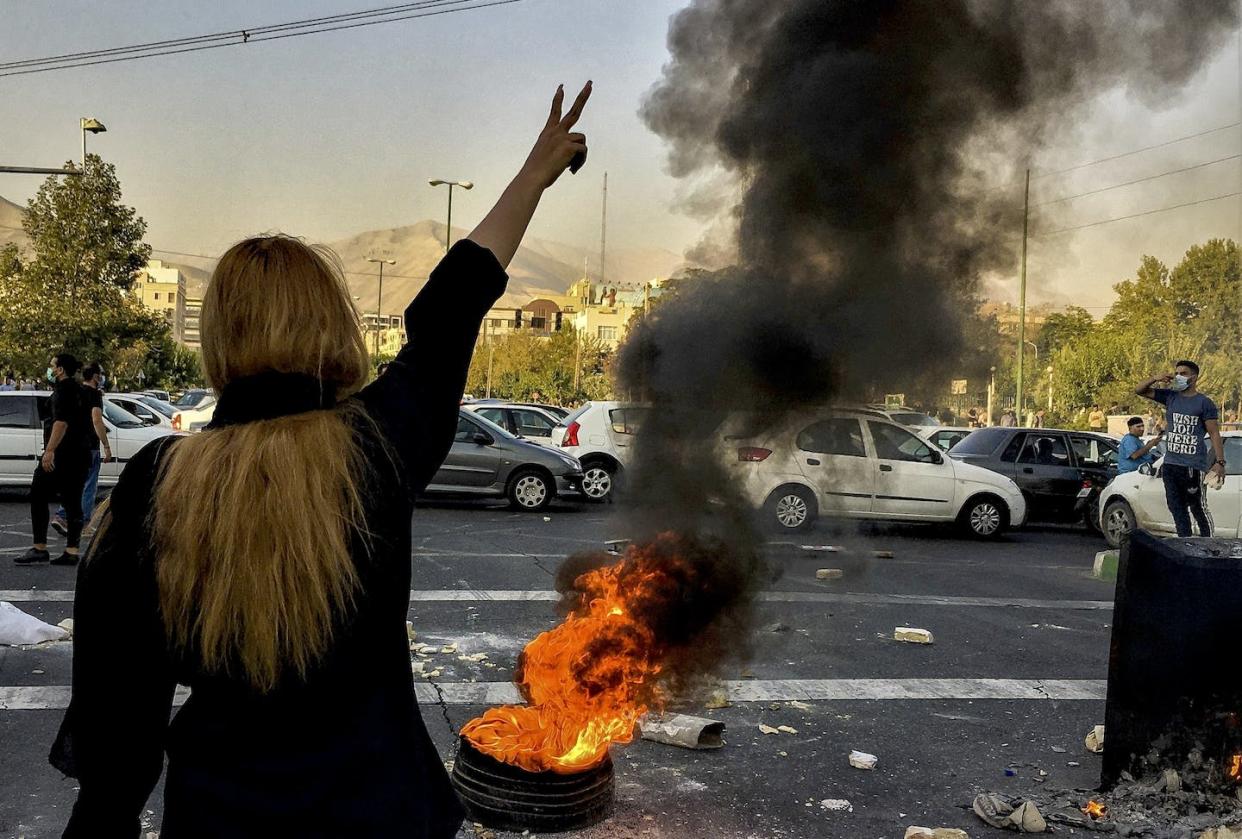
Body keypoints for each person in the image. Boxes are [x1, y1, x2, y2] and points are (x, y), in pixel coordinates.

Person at [48, 81, 591, 837]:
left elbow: (119, 735)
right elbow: (452, 307)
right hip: (385, 815)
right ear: (331, 322)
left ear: (219, 337)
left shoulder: (157, 484)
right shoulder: (378, 444)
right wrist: (533, 175)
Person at [16, 353, 94, 566]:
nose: (49, 369)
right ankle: (72, 550)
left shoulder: (62, 392)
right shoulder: (82, 391)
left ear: (59, 370)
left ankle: (40, 547)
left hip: (62, 455)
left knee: (38, 494)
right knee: (73, 502)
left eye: (52, 366)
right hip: (80, 455)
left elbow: (61, 423)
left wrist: (49, 451)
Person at [1135, 360, 1225, 537]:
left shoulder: (1204, 403)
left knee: (1197, 507)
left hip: (1192, 466)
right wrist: (1156, 378)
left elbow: (1214, 433)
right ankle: (1185, 542)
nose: (1178, 377)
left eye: (1183, 373)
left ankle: (1209, 545)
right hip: (1171, 464)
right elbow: (1139, 390)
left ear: (1194, 377)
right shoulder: (1170, 396)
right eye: (1176, 373)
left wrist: (1220, 462)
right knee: (1176, 507)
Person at [51, 363, 112, 538]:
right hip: (88, 446)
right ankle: (81, 523)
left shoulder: (75, 391)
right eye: (100, 374)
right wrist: (106, 445)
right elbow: (96, 420)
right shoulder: (94, 394)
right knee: (88, 486)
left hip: (71, 445)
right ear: (95, 376)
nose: (102, 377)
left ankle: (62, 516)